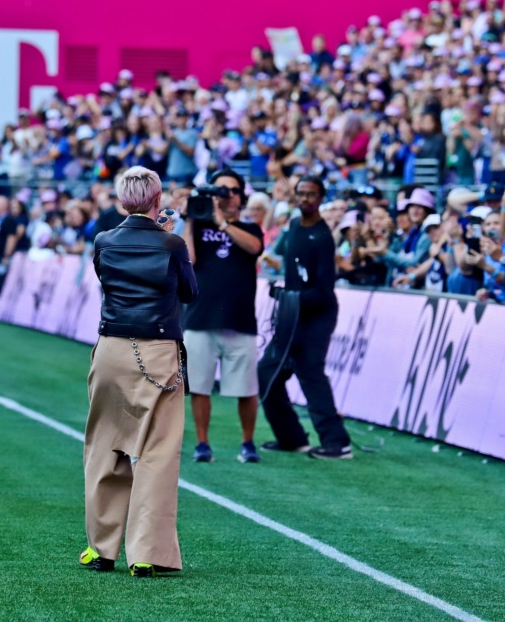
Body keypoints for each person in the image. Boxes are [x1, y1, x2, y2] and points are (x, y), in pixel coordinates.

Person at [80, 166, 198, 578]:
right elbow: (190, 292)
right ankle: (147, 552)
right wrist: (171, 237)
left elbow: (106, 279)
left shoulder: (104, 240)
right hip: (157, 350)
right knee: (157, 454)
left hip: (111, 346)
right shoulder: (171, 243)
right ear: (156, 198)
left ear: (121, 200)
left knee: (104, 448)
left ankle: (101, 548)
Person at [258, 176, 353, 460]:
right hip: (293, 314)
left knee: (310, 373)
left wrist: (291, 297)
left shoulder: (322, 237)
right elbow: (294, 275)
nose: (305, 199)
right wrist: (285, 293)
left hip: (316, 317)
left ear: (321, 198)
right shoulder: (295, 226)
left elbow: (324, 290)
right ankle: (292, 437)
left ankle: (337, 442)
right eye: (301, 194)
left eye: (311, 195)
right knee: (267, 372)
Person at [181, 169, 264, 464]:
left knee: (246, 388)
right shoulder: (199, 228)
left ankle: (248, 442)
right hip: (201, 316)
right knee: (200, 386)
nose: (225, 196)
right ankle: (202, 443)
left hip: (240, 319)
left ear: (241, 196)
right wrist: (191, 218)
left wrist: (221, 222)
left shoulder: (251, 228)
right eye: (219, 190)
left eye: (231, 190)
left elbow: (254, 248)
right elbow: (187, 260)